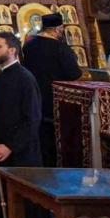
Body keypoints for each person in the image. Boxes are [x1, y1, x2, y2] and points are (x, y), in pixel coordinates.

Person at [0, 32, 55, 218]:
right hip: (0, 149)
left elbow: (33, 118)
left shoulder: (25, 79)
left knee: (26, 203)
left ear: (12, 50)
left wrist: (10, 146)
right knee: (2, 198)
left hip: (22, 151)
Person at [21, 13, 82, 166]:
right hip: (55, 101)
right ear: (57, 29)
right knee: (53, 143)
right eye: (61, 29)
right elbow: (74, 74)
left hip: (33, 98)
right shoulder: (60, 48)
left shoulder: (29, 46)